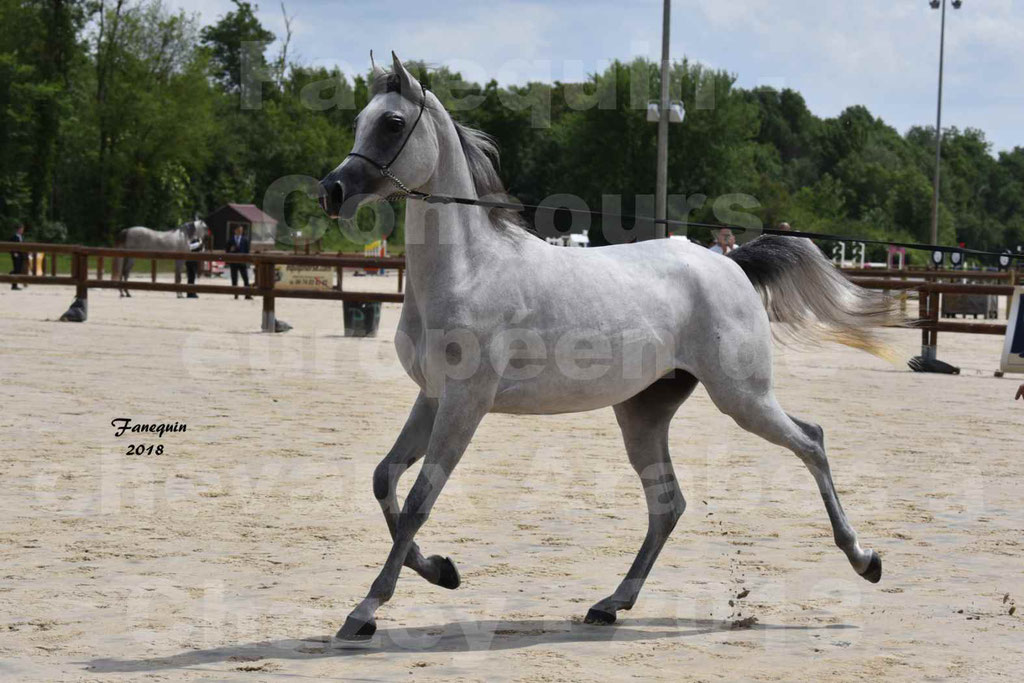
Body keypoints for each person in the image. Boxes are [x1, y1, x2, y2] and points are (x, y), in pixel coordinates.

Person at [225, 224, 252, 300]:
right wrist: (231, 250)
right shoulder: (230, 240)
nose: (240, 232)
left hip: (242, 262)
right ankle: (235, 294)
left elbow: (247, 252)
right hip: (233, 262)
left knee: (246, 279)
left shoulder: (245, 240)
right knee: (234, 278)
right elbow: (226, 251)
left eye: (241, 230)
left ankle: (247, 294)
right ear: (235, 231)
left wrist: (247, 261)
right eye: (239, 230)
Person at [185, 232, 203, 299]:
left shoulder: (197, 239)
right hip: (190, 260)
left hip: (194, 260)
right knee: (191, 276)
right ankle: (190, 293)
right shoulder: (190, 238)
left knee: (192, 276)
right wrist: (199, 244)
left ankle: (191, 292)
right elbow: (189, 247)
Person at [9, 223, 25, 290]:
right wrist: (13, 253)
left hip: (21, 256)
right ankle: (14, 286)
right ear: (18, 230)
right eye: (21, 229)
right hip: (16, 256)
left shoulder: (21, 237)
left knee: (19, 270)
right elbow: (9, 246)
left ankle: (11, 273)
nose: (22, 231)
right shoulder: (14, 237)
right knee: (17, 270)